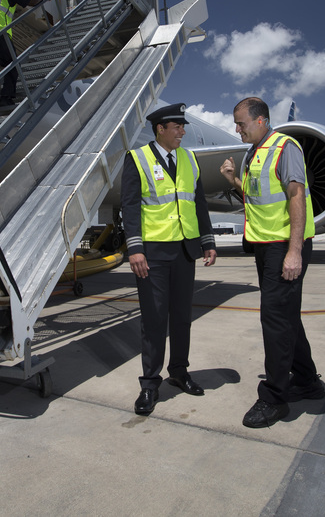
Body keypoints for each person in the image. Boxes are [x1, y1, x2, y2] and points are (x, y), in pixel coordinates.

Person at [219, 97, 325, 428]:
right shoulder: (254, 154)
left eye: (241, 123)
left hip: (284, 246)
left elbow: (296, 195)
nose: (237, 129)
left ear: (261, 121)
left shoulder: (284, 147)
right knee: (285, 316)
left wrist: (294, 251)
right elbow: (255, 198)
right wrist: (233, 180)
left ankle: (274, 398)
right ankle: (307, 381)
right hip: (266, 246)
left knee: (275, 319)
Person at [120, 103, 218, 415]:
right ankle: (150, 383)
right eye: (177, 127)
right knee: (154, 319)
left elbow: (198, 202)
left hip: (185, 251)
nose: (183, 132)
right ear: (160, 128)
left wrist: (208, 241)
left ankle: (179, 372)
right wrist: (134, 248)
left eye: (182, 127)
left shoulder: (189, 159)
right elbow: (130, 205)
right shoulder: (137, 158)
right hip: (152, 253)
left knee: (181, 318)